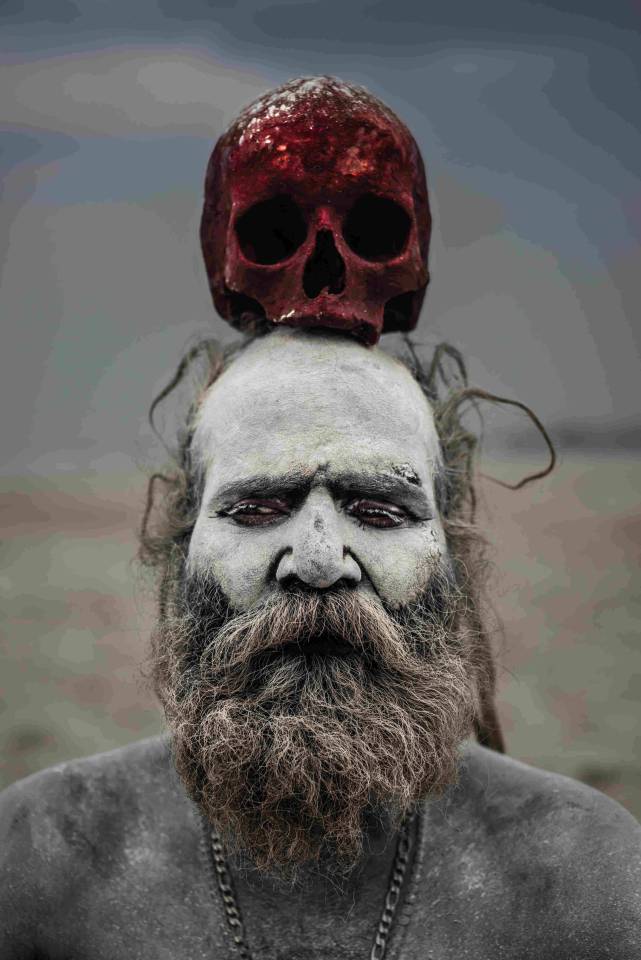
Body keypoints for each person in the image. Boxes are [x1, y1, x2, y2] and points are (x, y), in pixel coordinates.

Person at [1, 328, 640, 959]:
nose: (317, 561)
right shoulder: (39, 859)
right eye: (255, 509)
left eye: (381, 512)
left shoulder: (587, 877)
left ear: (455, 563)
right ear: (180, 552)